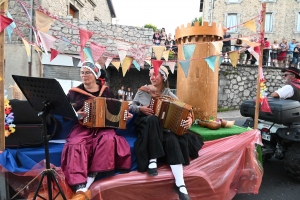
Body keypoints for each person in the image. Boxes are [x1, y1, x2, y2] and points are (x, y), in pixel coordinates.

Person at [130, 66, 203, 200]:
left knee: (172, 139)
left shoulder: (168, 93)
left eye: (155, 74)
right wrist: (141, 109)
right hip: (145, 126)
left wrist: (190, 119)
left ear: (163, 77)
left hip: (162, 130)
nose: (152, 77)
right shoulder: (142, 91)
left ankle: (180, 184)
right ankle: (152, 159)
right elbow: (131, 106)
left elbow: (187, 108)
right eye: (150, 75)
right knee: (152, 119)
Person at [61, 61, 132, 200]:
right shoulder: (73, 93)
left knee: (108, 139)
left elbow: (116, 109)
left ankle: (92, 176)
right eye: (82, 72)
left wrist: (125, 115)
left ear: (95, 75)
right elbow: (65, 113)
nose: (84, 75)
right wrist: (77, 115)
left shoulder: (106, 91)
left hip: (103, 127)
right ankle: (79, 185)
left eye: (87, 72)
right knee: (76, 143)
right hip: (83, 126)